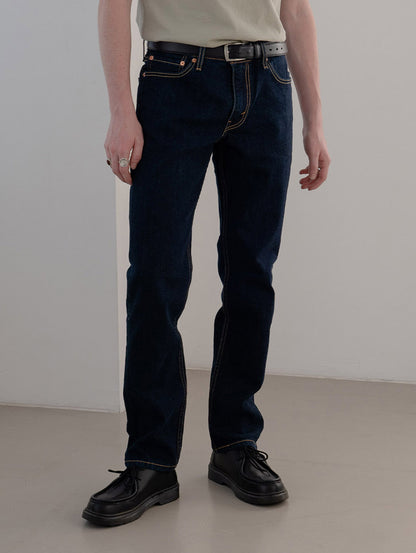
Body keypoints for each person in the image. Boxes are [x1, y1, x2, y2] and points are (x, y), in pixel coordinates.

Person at [82, 0, 330, 527]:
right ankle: (150, 460)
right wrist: (121, 110)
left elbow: (295, 9)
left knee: (251, 275)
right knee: (155, 276)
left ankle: (236, 445)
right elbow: (113, 6)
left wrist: (314, 119)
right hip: (175, 80)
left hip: (268, 82)